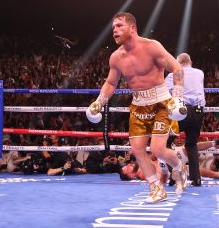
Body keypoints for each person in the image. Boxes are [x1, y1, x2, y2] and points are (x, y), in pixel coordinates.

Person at [86, 12, 188, 203]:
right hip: (138, 105)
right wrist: (99, 102)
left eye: (119, 26)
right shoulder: (116, 57)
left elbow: (177, 68)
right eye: (113, 27)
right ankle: (156, 188)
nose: (114, 30)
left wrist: (178, 98)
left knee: (158, 150)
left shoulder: (151, 47)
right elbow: (110, 83)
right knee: (137, 149)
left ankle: (180, 167)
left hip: (161, 102)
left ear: (132, 27)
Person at [166, 52, 205, 186]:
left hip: (182, 111)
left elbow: (166, 92)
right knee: (191, 144)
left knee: (165, 142)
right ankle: (196, 178)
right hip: (199, 110)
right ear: (191, 62)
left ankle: (174, 176)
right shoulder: (200, 73)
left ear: (177, 63)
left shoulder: (173, 75)